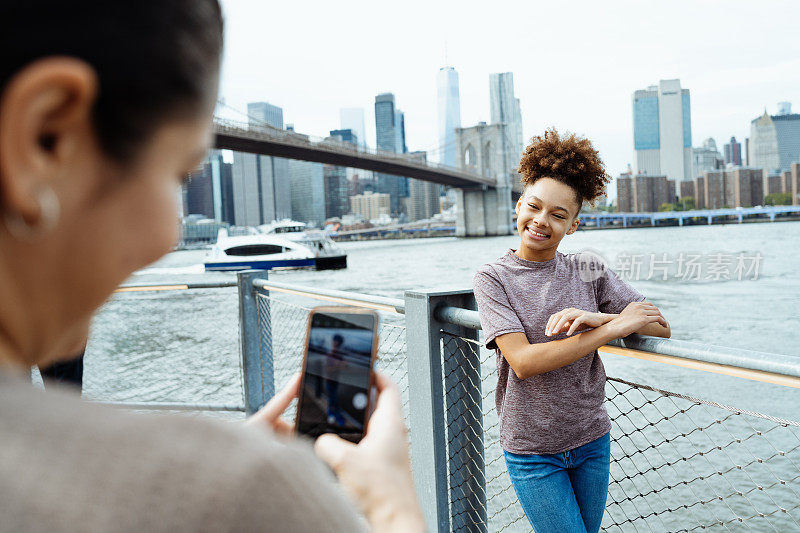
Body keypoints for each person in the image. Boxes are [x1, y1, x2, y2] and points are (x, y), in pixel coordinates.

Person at [0, 1, 424, 531]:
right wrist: (391, 504)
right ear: (44, 136)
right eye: (178, 171)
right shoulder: (241, 489)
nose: (171, 233)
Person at [472, 128, 671, 533]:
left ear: (573, 225)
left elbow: (659, 326)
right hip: (532, 451)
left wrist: (599, 317)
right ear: (519, 205)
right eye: (534, 206)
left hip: (591, 439)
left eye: (558, 215)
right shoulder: (492, 278)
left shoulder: (586, 266)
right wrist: (607, 330)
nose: (541, 221)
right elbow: (525, 362)